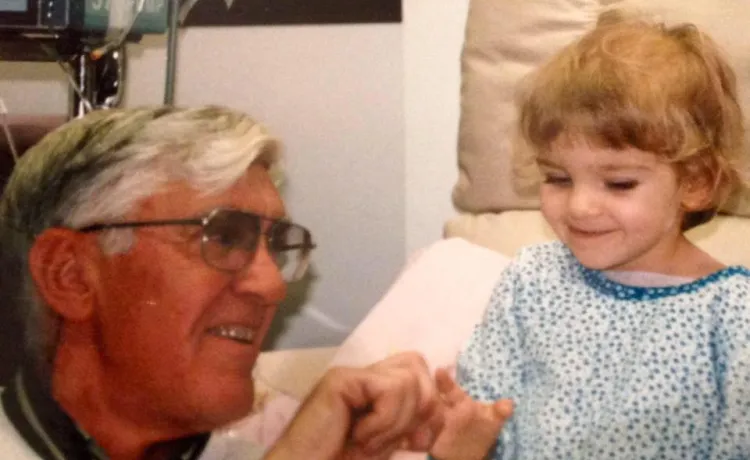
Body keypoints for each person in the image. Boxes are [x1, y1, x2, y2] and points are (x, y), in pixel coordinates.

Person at [0, 105, 511, 460]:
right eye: (222, 237)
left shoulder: (276, 441)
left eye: (277, 243)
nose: (271, 285)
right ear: (70, 275)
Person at [456, 11, 750, 459]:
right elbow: (476, 417)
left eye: (618, 183)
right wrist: (453, 436)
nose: (579, 207)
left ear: (695, 182)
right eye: (557, 178)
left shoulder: (732, 314)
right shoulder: (531, 280)